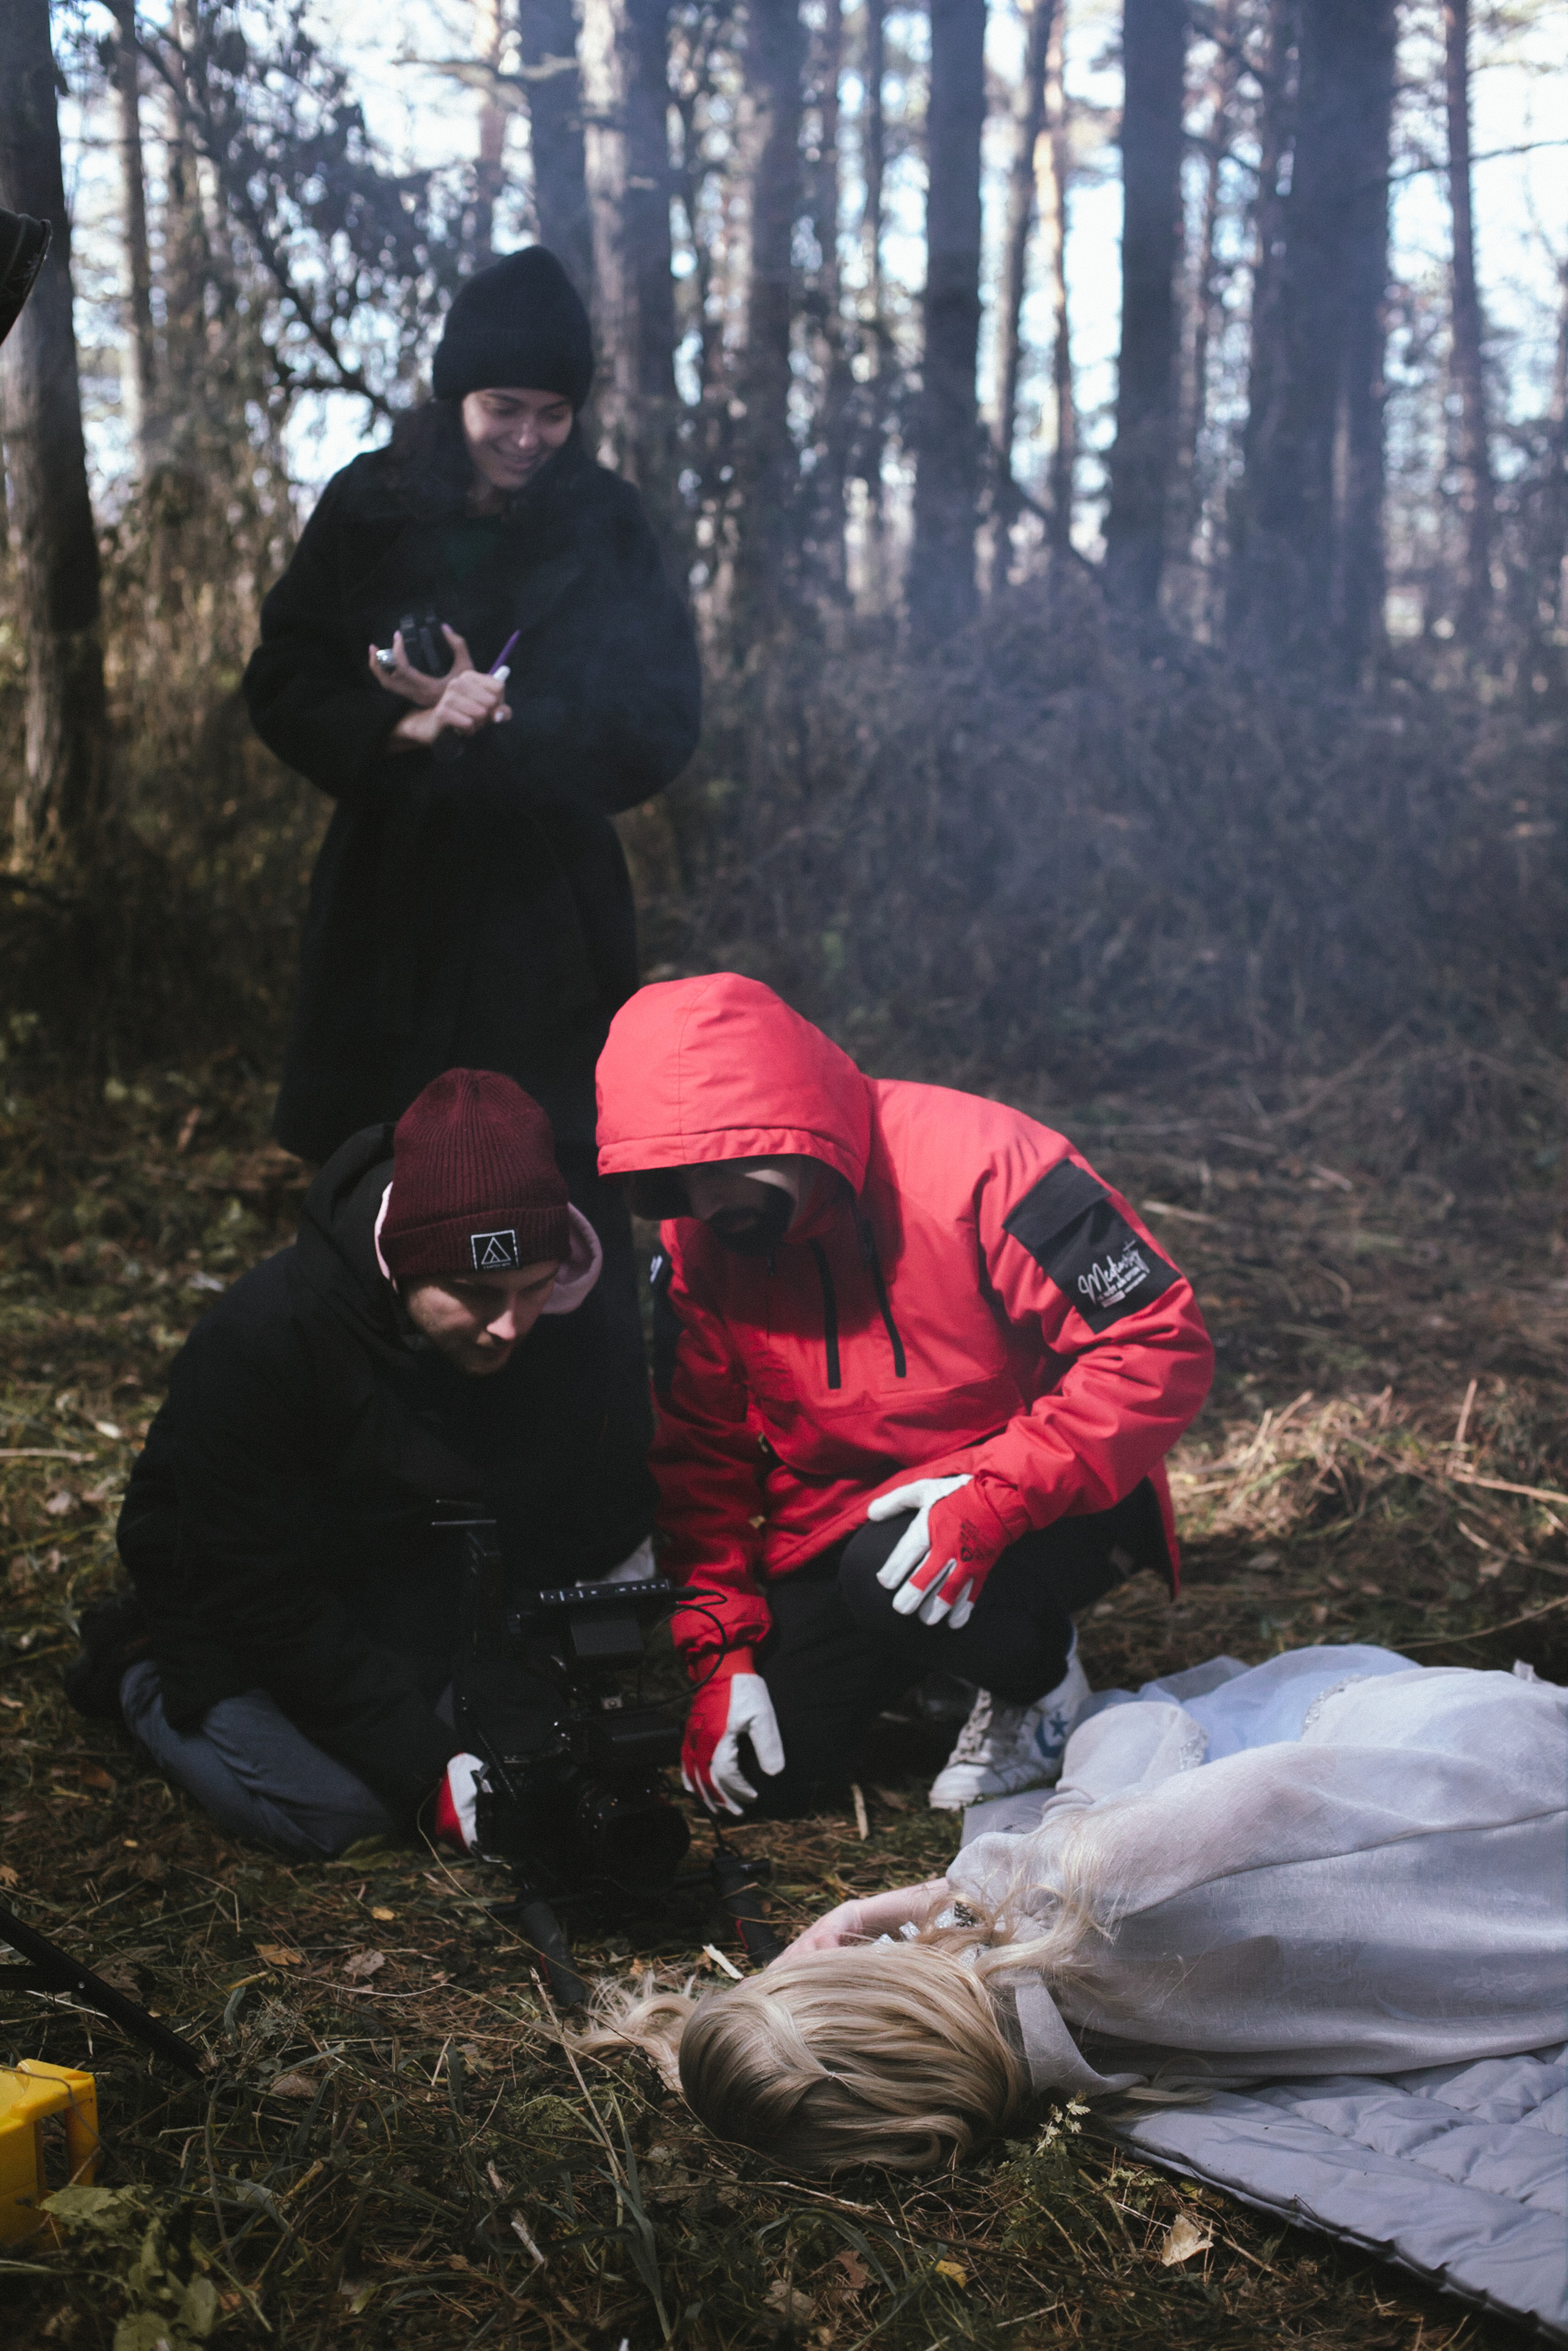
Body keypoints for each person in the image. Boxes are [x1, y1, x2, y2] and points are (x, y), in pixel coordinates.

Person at [243, 244, 702, 1425]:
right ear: (455, 396)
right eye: (506, 408)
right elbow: (284, 680)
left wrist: (516, 727)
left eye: (556, 412)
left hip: (552, 912)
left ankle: (577, 1483)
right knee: (379, 1170)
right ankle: (365, 1451)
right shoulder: (369, 502)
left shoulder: (609, 524)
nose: (530, 435)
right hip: (389, 905)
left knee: (555, 1169)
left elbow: (664, 721)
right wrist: (407, 732)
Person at [593, 973, 1215, 1816]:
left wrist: (995, 1496)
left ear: (790, 1123)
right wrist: (721, 1660)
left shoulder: (992, 1164)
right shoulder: (699, 1243)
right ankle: (941, 1664)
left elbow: (1157, 1343)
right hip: (840, 1518)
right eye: (673, 1179)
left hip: (1050, 1496)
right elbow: (701, 1461)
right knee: (759, 1783)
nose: (704, 1202)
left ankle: (1041, 1684)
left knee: (890, 1572)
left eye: (719, 1166)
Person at [583, 1648, 1567, 2175]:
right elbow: (1152, 1730)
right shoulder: (1076, 1885)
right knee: (1182, 1713)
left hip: (1525, 1952)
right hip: (1497, 1792)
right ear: (862, 1973)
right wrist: (963, 1885)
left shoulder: (1095, 2073)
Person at [64, 1070, 654, 1859]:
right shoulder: (266, 1337)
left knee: (527, 1763)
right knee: (344, 1815)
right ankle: (141, 1679)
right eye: (475, 1294)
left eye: (534, 1287)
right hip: (236, 1601)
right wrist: (424, 1768)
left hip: (410, 1586)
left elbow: (574, 1507)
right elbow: (255, 1585)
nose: (510, 1325)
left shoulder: (552, 1324)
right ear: (403, 1264)